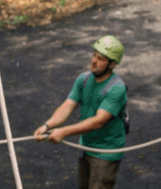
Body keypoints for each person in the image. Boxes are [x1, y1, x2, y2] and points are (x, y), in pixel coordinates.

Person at [35, 35, 128, 189]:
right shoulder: (84, 79)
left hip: (106, 153)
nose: (94, 61)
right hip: (86, 147)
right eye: (94, 56)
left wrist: (64, 131)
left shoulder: (116, 88)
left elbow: (99, 121)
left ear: (112, 64)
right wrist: (47, 126)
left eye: (101, 59)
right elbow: (67, 106)